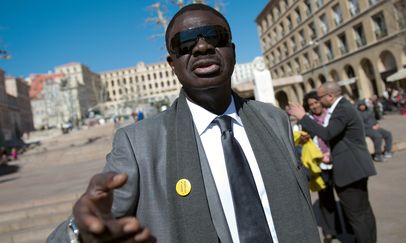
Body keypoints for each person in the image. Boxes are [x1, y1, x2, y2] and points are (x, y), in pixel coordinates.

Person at [47, 4, 320, 243]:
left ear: (232, 51)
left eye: (215, 36)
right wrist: (78, 233)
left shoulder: (273, 120)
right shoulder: (138, 145)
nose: (202, 47)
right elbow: (93, 222)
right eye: (185, 44)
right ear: (172, 64)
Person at [287, 82, 377, 243]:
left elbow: (327, 133)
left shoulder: (341, 109)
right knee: (363, 213)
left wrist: (302, 117)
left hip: (350, 171)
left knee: (357, 216)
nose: (319, 102)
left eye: (320, 98)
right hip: (355, 168)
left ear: (330, 96)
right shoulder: (343, 107)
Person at [300, 91, 343, 242]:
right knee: (326, 200)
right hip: (320, 166)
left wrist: (331, 154)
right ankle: (329, 231)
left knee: (344, 197)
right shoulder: (307, 120)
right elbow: (305, 142)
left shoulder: (332, 116)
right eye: (311, 104)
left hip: (337, 162)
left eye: (316, 102)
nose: (314, 106)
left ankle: (343, 227)